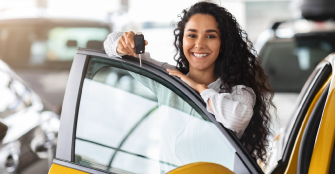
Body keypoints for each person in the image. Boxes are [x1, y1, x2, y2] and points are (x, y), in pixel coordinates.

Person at [104, 1, 274, 163]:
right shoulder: (168, 80)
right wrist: (122, 43)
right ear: (182, 40)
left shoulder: (238, 92)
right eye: (192, 35)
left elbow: (236, 119)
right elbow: (111, 44)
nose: (199, 44)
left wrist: (200, 88)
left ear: (222, 45)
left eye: (210, 36)